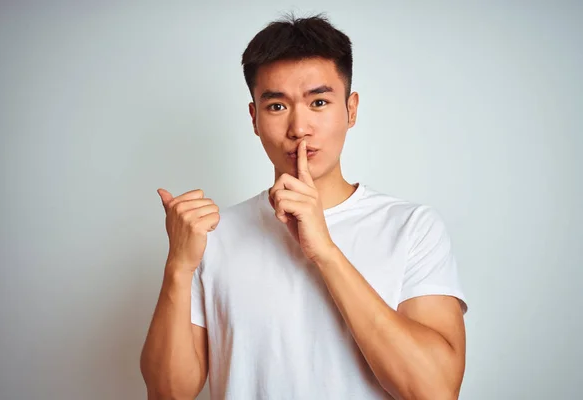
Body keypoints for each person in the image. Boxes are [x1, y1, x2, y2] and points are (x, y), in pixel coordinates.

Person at [140, 13, 468, 400]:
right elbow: (167, 394)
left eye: (319, 102)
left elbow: (436, 390)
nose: (299, 127)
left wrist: (325, 252)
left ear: (351, 109)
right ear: (255, 119)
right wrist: (178, 266)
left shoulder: (412, 227)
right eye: (277, 106)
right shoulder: (213, 235)